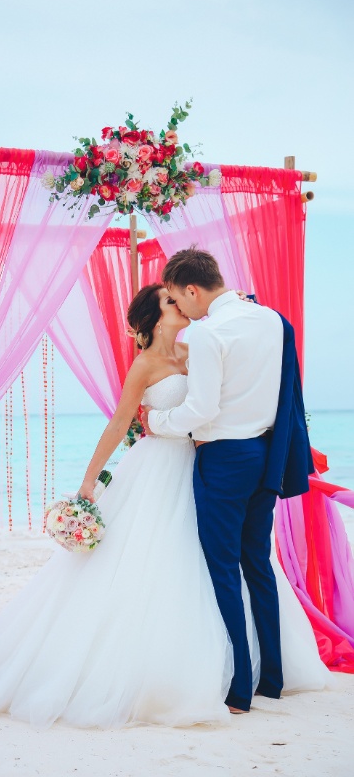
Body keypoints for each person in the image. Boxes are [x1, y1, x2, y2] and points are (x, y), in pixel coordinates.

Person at [0, 280, 328, 729]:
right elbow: (120, 422)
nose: (180, 303)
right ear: (155, 318)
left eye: (178, 296)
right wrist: (89, 479)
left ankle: (250, 667)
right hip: (158, 466)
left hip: (204, 463)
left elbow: (214, 398)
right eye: (169, 301)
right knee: (158, 560)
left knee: (217, 562)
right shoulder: (144, 364)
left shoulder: (197, 350)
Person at [141, 247, 314, 714]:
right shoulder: (271, 319)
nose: (182, 309)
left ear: (191, 289)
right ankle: (271, 679)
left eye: (179, 298)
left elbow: (201, 410)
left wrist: (156, 421)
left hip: (224, 459)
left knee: (222, 570)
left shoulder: (208, 333)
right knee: (257, 565)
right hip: (267, 454)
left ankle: (239, 690)